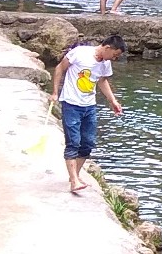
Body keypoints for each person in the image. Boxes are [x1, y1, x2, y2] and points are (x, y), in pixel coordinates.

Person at [52, 34, 126, 194]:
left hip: (89, 106)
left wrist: (113, 101)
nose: (114, 59)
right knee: (73, 142)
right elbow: (60, 68)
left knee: (87, 143)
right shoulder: (79, 53)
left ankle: (75, 176)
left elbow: (102, 81)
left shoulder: (105, 63)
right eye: (114, 55)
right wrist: (54, 92)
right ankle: (73, 181)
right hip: (71, 104)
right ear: (107, 48)